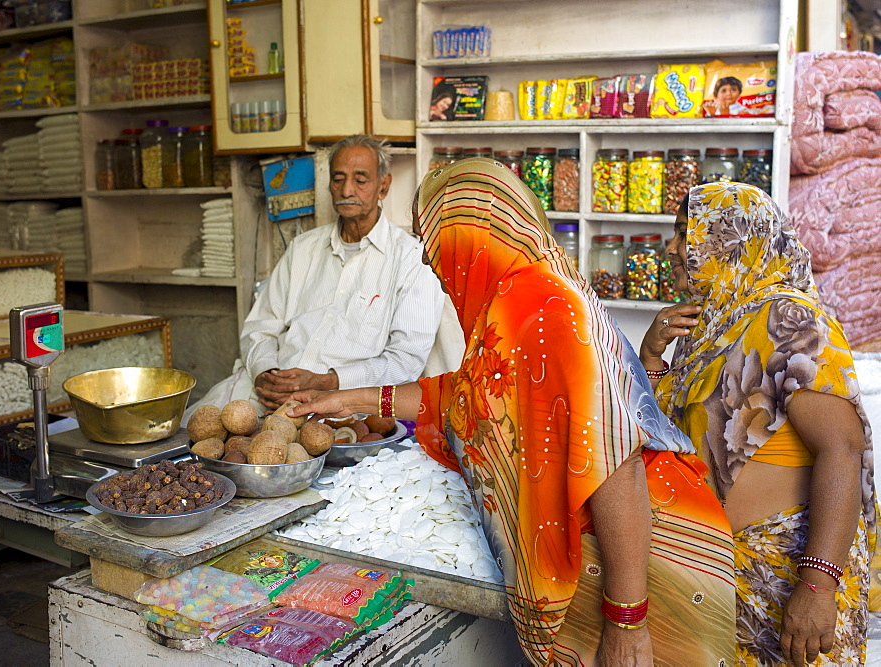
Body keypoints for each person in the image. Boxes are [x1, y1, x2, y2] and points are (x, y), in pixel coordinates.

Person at [289, 158, 736, 664]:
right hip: (621, 559)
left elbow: (617, 469)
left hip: (648, 563)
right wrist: (343, 400)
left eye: (432, 240)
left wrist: (627, 619)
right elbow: (465, 398)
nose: (428, 261)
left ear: (471, 236)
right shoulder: (513, 300)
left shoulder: (544, 309)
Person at [639, 181, 877, 665]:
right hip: (721, 576)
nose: (674, 249)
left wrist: (816, 586)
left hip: (786, 579)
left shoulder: (790, 318)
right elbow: (679, 436)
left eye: (688, 235)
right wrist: (652, 356)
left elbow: (843, 450)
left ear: (733, 241)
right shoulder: (709, 324)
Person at [187, 135, 444, 414]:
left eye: (360, 180)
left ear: (383, 186)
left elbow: (405, 361)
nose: (347, 190)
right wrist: (266, 373)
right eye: (338, 179)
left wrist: (328, 381)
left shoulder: (411, 258)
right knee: (192, 430)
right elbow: (260, 326)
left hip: (340, 405)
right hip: (262, 391)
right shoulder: (303, 248)